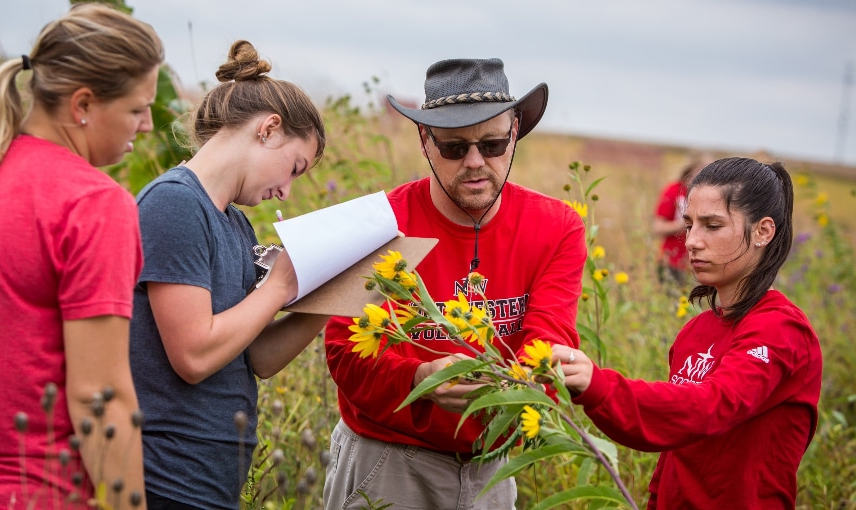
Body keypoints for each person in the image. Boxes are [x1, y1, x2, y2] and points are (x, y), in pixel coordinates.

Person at [323, 58, 587, 509]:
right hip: (390, 459)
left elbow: (550, 334)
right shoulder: (382, 224)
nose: (474, 162)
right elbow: (346, 353)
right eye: (453, 148)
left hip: (493, 466)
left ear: (515, 131)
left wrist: (514, 388)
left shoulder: (557, 226)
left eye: (491, 143)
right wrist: (420, 378)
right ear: (425, 141)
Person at [0, 4, 163, 507]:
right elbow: (99, 395)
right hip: (42, 491)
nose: (148, 125)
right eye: (137, 108)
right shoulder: (93, 204)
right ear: (83, 104)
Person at [551, 157, 822, 509]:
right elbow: (676, 443)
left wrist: (598, 385)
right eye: (690, 224)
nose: (692, 241)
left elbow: (712, 406)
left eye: (712, 225)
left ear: (763, 231)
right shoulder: (696, 331)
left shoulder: (780, 329)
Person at [129, 40, 329, 510]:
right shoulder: (176, 204)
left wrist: (333, 292)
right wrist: (280, 283)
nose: (285, 188)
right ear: (269, 128)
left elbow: (255, 357)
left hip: (209, 483)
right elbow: (195, 355)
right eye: (294, 167)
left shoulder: (233, 221)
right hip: (165, 479)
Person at [651, 154, 708, 286]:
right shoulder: (674, 191)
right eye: (702, 171)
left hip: (698, 264)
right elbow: (658, 227)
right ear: (691, 170)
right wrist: (685, 224)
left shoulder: (711, 196)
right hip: (671, 262)